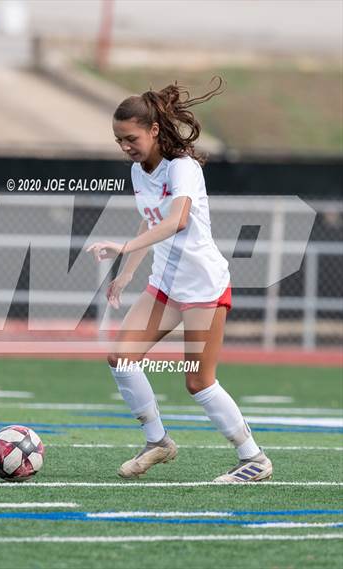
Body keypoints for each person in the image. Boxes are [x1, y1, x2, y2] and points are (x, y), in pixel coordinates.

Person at [87, 78, 272, 483]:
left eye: (131, 138)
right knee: (121, 357)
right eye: (119, 140)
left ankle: (253, 458)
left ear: (154, 131)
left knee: (198, 381)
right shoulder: (140, 172)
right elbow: (151, 218)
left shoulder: (183, 168)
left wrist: (123, 246)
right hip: (165, 285)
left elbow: (177, 220)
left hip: (203, 287)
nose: (125, 147)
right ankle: (158, 442)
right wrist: (128, 271)